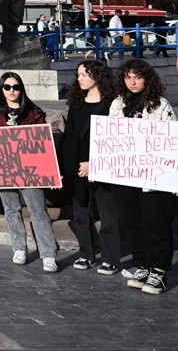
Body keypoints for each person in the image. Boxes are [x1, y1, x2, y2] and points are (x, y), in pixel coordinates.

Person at [0, 72, 60, 272]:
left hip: (30, 170)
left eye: (16, 86)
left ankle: (48, 254)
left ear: (21, 88)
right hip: (4, 169)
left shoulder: (33, 112)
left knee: (38, 211)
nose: (12, 90)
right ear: (1, 89)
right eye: (7, 87)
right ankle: (19, 248)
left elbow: (43, 141)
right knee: (11, 209)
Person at [111, 59, 178, 295]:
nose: (132, 82)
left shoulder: (160, 105)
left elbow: (172, 141)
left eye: (137, 77)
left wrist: (177, 176)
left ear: (147, 79)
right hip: (126, 176)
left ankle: (159, 272)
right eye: (128, 77)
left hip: (154, 177)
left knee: (156, 224)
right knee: (133, 223)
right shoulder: (117, 105)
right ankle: (143, 265)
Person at [61, 60, 121, 274]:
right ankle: (86, 254)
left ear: (98, 76)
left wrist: (93, 164)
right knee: (81, 215)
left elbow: (116, 140)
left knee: (108, 216)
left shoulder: (113, 104)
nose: (80, 78)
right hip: (78, 169)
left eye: (85, 74)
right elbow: (70, 137)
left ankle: (111, 258)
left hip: (103, 168)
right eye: (78, 75)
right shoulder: (75, 103)